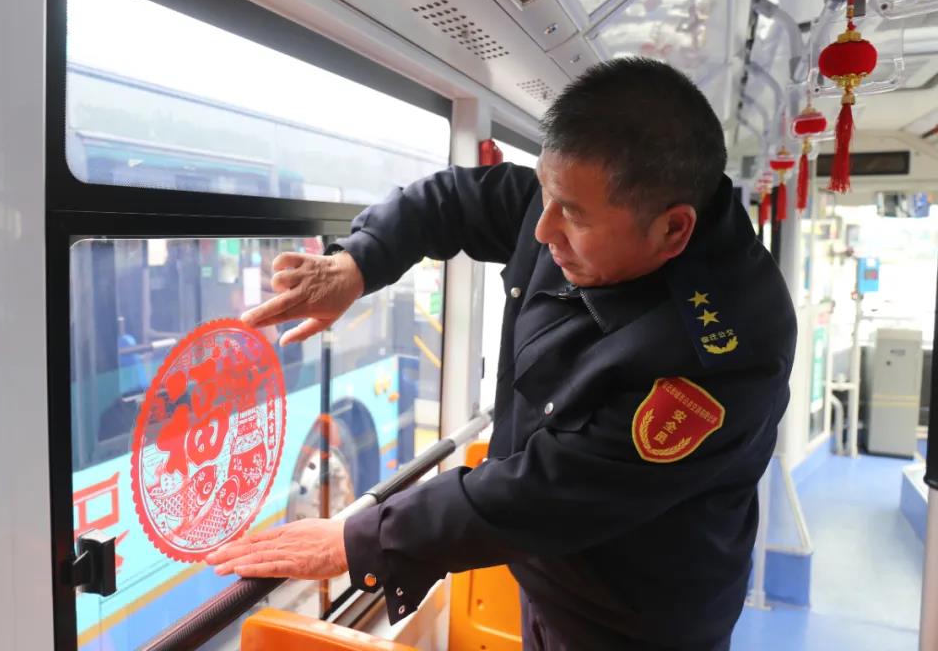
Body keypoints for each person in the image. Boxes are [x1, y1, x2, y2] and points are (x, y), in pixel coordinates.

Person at [206, 58, 797, 650]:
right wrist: (357, 263)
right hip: (545, 575)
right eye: (545, 193)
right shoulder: (574, 203)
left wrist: (360, 540)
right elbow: (452, 200)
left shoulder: (723, 357)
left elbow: (551, 492)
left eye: (572, 216)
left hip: (637, 621)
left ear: (672, 230)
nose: (542, 229)